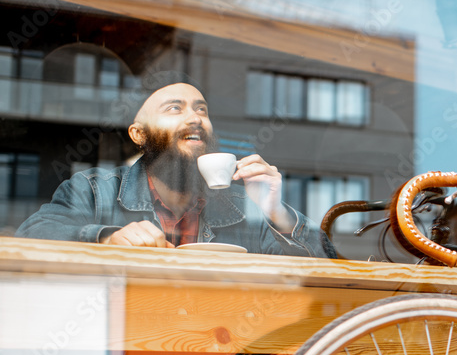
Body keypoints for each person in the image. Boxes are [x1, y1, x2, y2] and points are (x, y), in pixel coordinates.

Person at [17, 81, 335, 257]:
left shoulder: (244, 207)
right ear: (138, 134)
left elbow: (331, 274)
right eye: (174, 108)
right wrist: (108, 238)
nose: (195, 117)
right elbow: (32, 235)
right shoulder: (95, 190)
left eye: (201, 109)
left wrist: (277, 212)